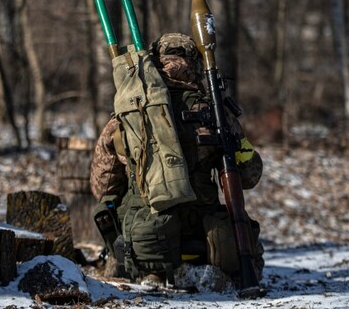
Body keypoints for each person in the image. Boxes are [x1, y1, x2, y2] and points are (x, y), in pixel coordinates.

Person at [90, 32, 264, 287]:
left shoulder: (126, 115)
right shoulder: (215, 113)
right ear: (196, 65)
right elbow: (250, 175)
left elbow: (103, 187)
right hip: (205, 239)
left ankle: (149, 270)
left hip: (147, 240)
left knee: (110, 204)